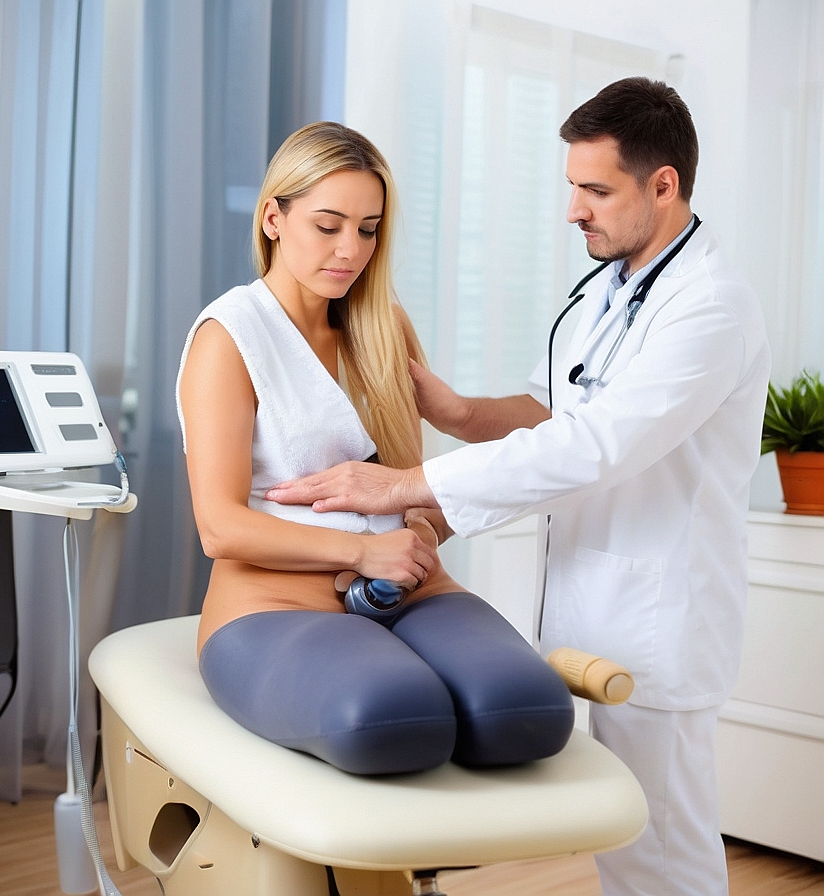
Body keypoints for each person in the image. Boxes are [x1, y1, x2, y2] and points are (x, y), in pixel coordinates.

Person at [266, 81, 772, 895]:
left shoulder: (709, 309)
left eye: (595, 190)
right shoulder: (612, 286)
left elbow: (597, 443)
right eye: (572, 186)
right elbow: (554, 411)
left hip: (662, 615)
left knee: (663, 854)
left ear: (664, 185)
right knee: (620, 843)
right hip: (592, 598)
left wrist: (405, 486)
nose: (574, 211)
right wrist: (459, 412)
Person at [176, 121, 574, 778]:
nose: (350, 250)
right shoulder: (232, 336)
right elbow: (220, 527)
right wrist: (361, 551)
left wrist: (420, 530)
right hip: (277, 606)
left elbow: (410, 488)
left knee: (524, 712)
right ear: (273, 218)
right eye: (327, 226)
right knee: (397, 717)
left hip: (407, 591)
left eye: (368, 229)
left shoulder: (385, 326)